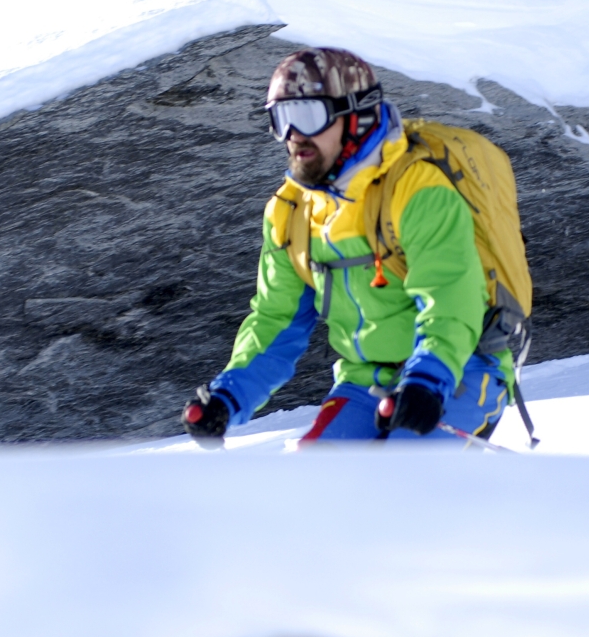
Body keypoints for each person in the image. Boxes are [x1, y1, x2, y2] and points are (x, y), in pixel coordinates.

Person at [180, 47, 516, 447]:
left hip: (460, 371)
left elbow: (449, 299)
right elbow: (276, 320)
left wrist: (428, 380)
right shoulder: (290, 213)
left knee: (401, 476)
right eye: (282, 119)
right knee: (315, 478)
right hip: (364, 382)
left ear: (358, 116)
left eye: (308, 115)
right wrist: (227, 397)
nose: (294, 134)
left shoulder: (417, 190)